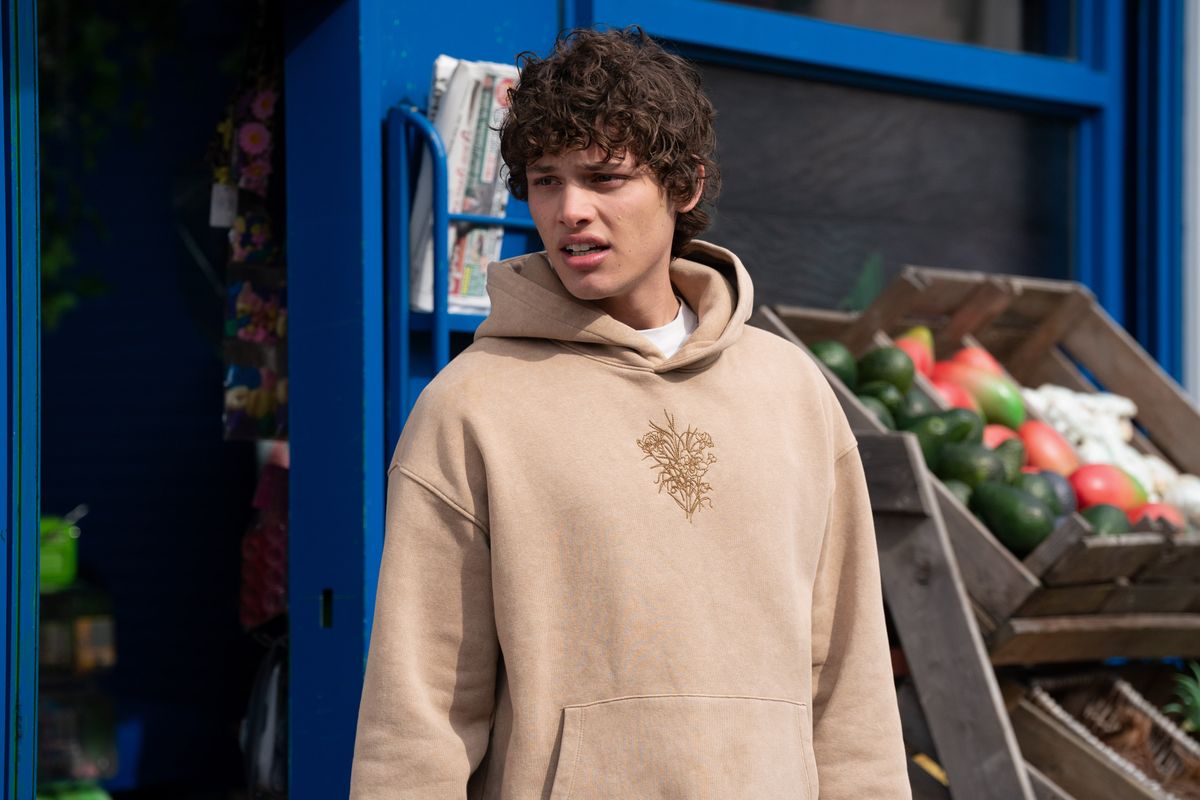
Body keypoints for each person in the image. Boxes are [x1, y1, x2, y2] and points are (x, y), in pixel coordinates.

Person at [350, 26, 910, 799]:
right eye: (546, 180)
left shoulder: (793, 392)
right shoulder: (470, 405)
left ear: (684, 187)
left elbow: (852, 688)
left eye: (605, 178)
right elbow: (417, 717)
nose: (570, 209)